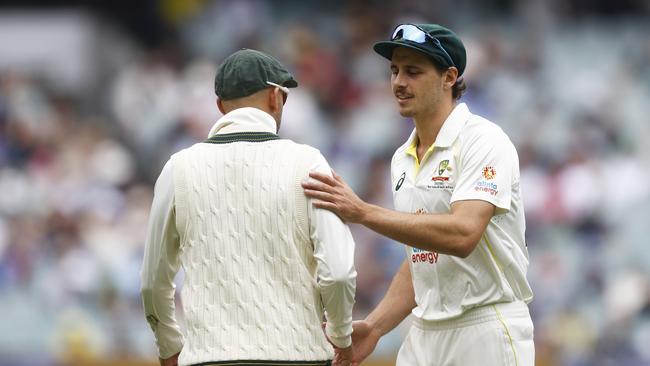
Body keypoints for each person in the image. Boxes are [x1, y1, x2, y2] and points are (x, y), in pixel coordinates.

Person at [302, 24, 534, 366]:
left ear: (449, 77)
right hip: (425, 332)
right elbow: (422, 257)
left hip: (486, 327)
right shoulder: (402, 158)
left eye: (413, 71)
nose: (398, 82)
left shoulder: (483, 141)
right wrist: (377, 327)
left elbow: (463, 234)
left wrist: (362, 212)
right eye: (394, 71)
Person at [141, 48, 357, 366]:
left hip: (209, 359)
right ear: (274, 97)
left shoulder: (178, 168)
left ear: (220, 107)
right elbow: (337, 273)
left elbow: (152, 282)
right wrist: (341, 337)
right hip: (298, 357)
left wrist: (168, 345)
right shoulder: (308, 162)